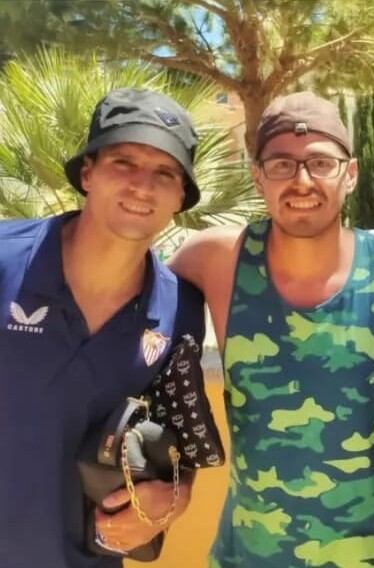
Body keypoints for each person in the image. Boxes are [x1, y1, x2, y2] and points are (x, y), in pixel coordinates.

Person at [169, 91, 374, 568]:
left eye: (321, 163)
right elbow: (135, 333)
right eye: (282, 165)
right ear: (257, 175)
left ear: (351, 174)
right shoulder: (216, 262)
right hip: (248, 556)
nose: (302, 181)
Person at [0, 88, 205, 567]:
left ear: (180, 197)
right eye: (123, 162)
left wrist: (169, 502)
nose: (141, 186)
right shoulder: (6, 258)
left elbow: (180, 447)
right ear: (87, 173)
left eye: (164, 173)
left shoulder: (181, 310)